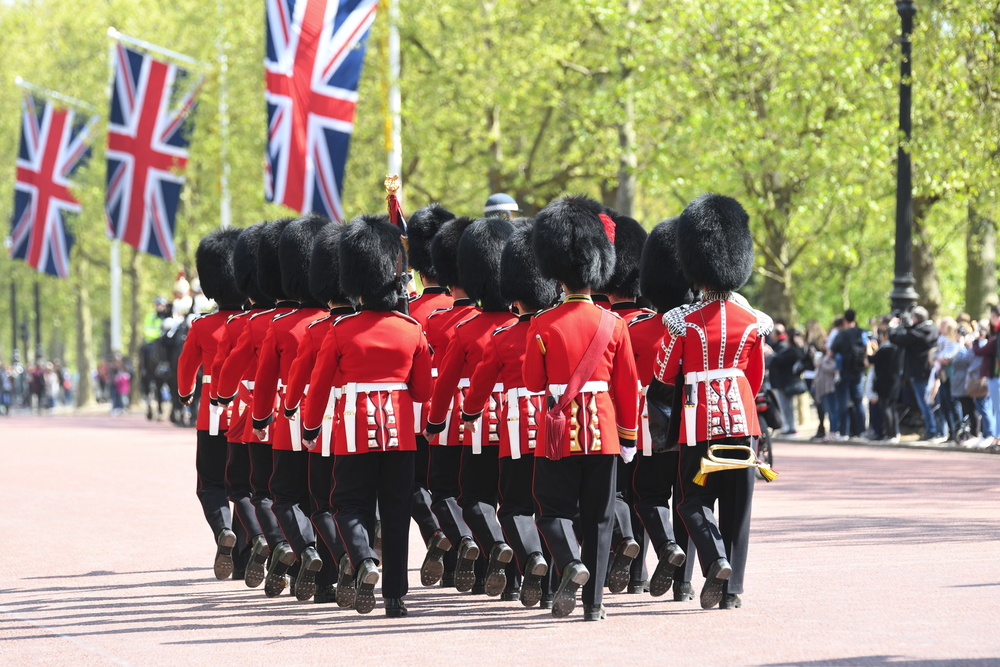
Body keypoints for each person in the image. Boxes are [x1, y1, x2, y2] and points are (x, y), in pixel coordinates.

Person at [301, 213, 433, 618]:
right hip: (400, 434)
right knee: (395, 512)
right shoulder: (410, 329)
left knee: (347, 504)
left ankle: (364, 560)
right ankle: (395, 596)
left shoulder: (340, 330)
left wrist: (309, 427)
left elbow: (321, 385)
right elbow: (424, 390)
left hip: (353, 431)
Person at [653, 193, 771, 611]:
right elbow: (754, 379)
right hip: (742, 421)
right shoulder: (754, 322)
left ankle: (715, 558)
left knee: (690, 500)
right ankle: (733, 590)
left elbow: (664, 373)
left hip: (698, 420)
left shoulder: (683, 321)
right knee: (738, 509)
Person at [525, 195, 640, 621]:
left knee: (550, 510)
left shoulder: (542, 324)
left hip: (558, 435)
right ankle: (594, 605)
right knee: (599, 519)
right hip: (605, 431)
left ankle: (569, 563)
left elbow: (534, 383)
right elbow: (627, 387)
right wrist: (628, 436)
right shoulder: (615, 324)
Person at [458, 220, 559, 607]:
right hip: (557, 427)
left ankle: (528, 563)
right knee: (551, 509)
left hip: (516, 428)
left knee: (514, 507)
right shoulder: (556, 327)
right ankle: (549, 585)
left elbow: (480, 386)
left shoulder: (505, 336)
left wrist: (468, 414)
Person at [425, 217, 517, 598]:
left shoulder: (453, 324)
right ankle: (512, 583)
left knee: (465, 494)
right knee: (512, 500)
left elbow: (444, 381)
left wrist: (435, 421)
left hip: (471, 420)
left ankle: (477, 558)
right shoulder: (518, 324)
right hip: (516, 420)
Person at [249, 215, 332, 601]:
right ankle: (331, 574)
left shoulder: (282, 325)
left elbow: (266, 380)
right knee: (325, 501)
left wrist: (261, 418)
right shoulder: (334, 323)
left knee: (285, 496)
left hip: (292, 418)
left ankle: (307, 553)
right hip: (338, 420)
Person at [629, 217, 694, 601]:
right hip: (691, 427)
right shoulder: (699, 327)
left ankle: (664, 548)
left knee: (647, 495)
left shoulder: (637, 329)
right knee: (687, 502)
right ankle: (684, 585)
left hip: (651, 430)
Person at [176, 226, 245, 580]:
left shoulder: (203, 326)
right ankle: (247, 555)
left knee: (211, 484)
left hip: (213, 416)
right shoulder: (256, 324)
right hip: (252, 415)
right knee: (249, 487)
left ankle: (223, 531)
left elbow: (186, 367)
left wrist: (185, 392)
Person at [419, 216, 482, 591]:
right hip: (492, 416)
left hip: (447, 413)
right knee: (480, 494)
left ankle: (462, 546)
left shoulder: (438, 321)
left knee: (441, 489)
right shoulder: (493, 319)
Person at [596, 210, 648, 594]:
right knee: (640, 496)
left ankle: (616, 565)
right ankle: (638, 574)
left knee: (608, 499)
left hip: (606, 420)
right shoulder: (653, 320)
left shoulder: (606, 321)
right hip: (646, 424)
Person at [403, 204, 454, 563]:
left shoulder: (408, 312)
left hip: (418, 410)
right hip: (462, 410)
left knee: (413, 485)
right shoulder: (467, 311)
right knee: (455, 487)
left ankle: (435, 533)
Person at [890, 306, 940, 441]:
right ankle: (937, 429)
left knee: (925, 402)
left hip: (918, 373)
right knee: (933, 401)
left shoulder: (915, 334)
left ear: (916, 319)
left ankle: (932, 430)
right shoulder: (934, 329)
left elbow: (895, 338)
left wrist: (893, 326)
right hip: (932, 370)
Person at [830, 309, 867, 438]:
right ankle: (862, 430)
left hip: (844, 373)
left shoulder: (841, 335)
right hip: (858, 371)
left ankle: (844, 432)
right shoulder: (862, 332)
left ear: (844, 320)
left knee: (843, 403)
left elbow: (831, 353)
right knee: (858, 402)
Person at [768, 326, 806, 436]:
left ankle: (791, 428)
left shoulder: (792, 350)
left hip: (786, 382)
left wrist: (771, 354)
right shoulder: (789, 349)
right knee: (786, 406)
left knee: (787, 406)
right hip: (783, 382)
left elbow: (779, 360)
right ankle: (789, 427)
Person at [869, 323, 903, 442]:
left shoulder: (884, 350)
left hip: (884, 383)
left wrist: (869, 348)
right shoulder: (897, 349)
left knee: (887, 408)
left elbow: (871, 360)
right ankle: (894, 433)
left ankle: (890, 434)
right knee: (892, 409)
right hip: (895, 382)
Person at [934, 318, 963, 443]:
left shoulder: (957, 343)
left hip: (953, 377)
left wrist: (941, 358)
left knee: (954, 404)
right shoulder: (942, 341)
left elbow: (949, 358)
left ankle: (959, 433)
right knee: (945, 404)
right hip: (944, 376)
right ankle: (951, 433)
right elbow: (935, 355)